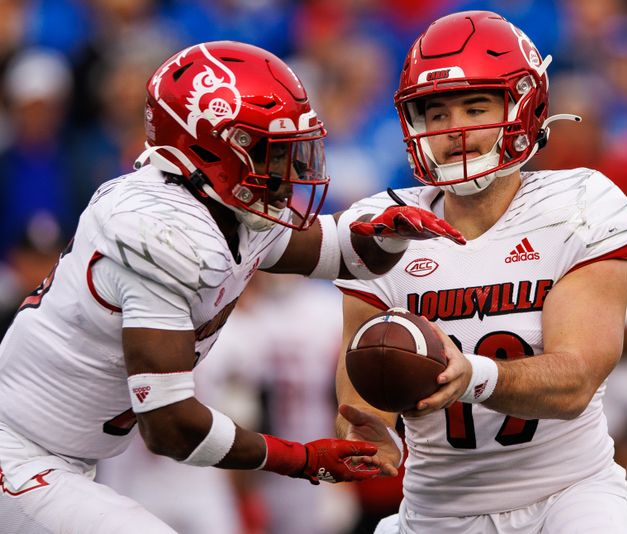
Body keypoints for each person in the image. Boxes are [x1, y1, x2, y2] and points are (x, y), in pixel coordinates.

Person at [0, 41, 463, 533]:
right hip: (19, 451)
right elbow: (171, 427)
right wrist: (302, 459)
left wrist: (392, 226)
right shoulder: (160, 232)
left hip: (69, 456)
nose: (291, 172)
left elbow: (345, 254)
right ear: (206, 146)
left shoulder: (222, 206)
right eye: (267, 149)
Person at [334, 11, 627, 533]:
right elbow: (362, 393)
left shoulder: (579, 205)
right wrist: (369, 433)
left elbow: (575, 382)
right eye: (437, 114)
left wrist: (471, 376)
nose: (456, 131)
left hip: (567, 495)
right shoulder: (383, 227)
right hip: (437, 510)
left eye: (476, 107)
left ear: (523, 107)